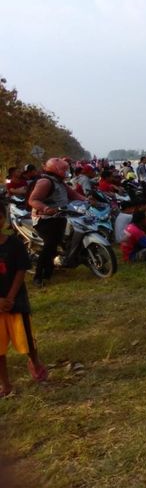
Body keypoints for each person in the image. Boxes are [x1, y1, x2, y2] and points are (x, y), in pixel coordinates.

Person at [0, 205, 47, 397]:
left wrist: (10, 297)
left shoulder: (14, 244)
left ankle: (35, 363)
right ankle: (5, 384)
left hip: (16, 302)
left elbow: (21, 270)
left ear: (3, 218)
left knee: (26, 339)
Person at [27, 158, 87, 286]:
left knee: (63, 240)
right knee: (50, 245)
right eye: (64, 170)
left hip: (60, 216)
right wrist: (46, 208)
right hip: (44, 219)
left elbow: (73, 195)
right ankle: (39, 277)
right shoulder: (45, 182)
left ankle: (54, 267)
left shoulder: (60, 182)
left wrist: (88, 201)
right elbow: (33, 200)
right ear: (56, 170)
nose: (66, 172)